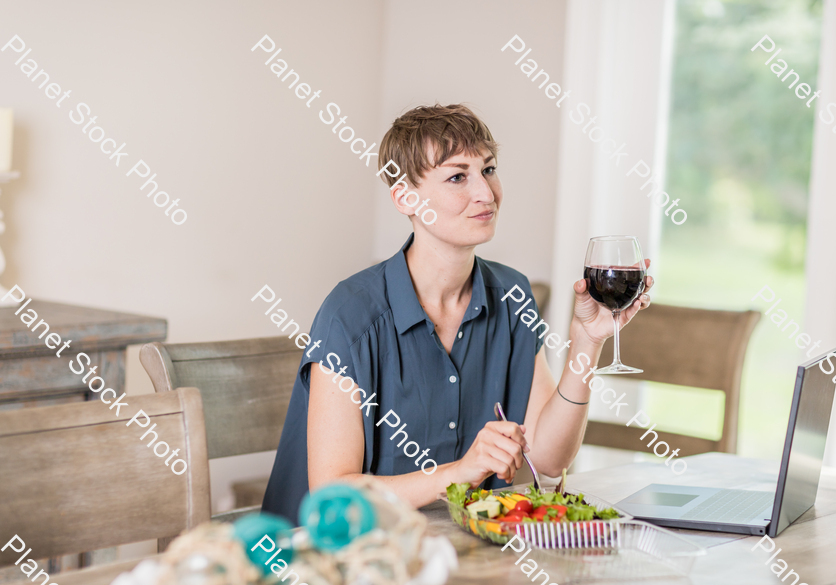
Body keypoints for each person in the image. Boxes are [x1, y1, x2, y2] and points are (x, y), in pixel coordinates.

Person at [262, 104, 653, 524]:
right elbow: (334, 492)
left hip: (460, 553)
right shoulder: (351, 313)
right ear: (405, 198)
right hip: (336, 562)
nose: (486, 193)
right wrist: (459, 474)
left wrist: (587, 342)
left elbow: (549, 461)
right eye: (457, 177)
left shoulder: (512, 295)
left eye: (488, 170)